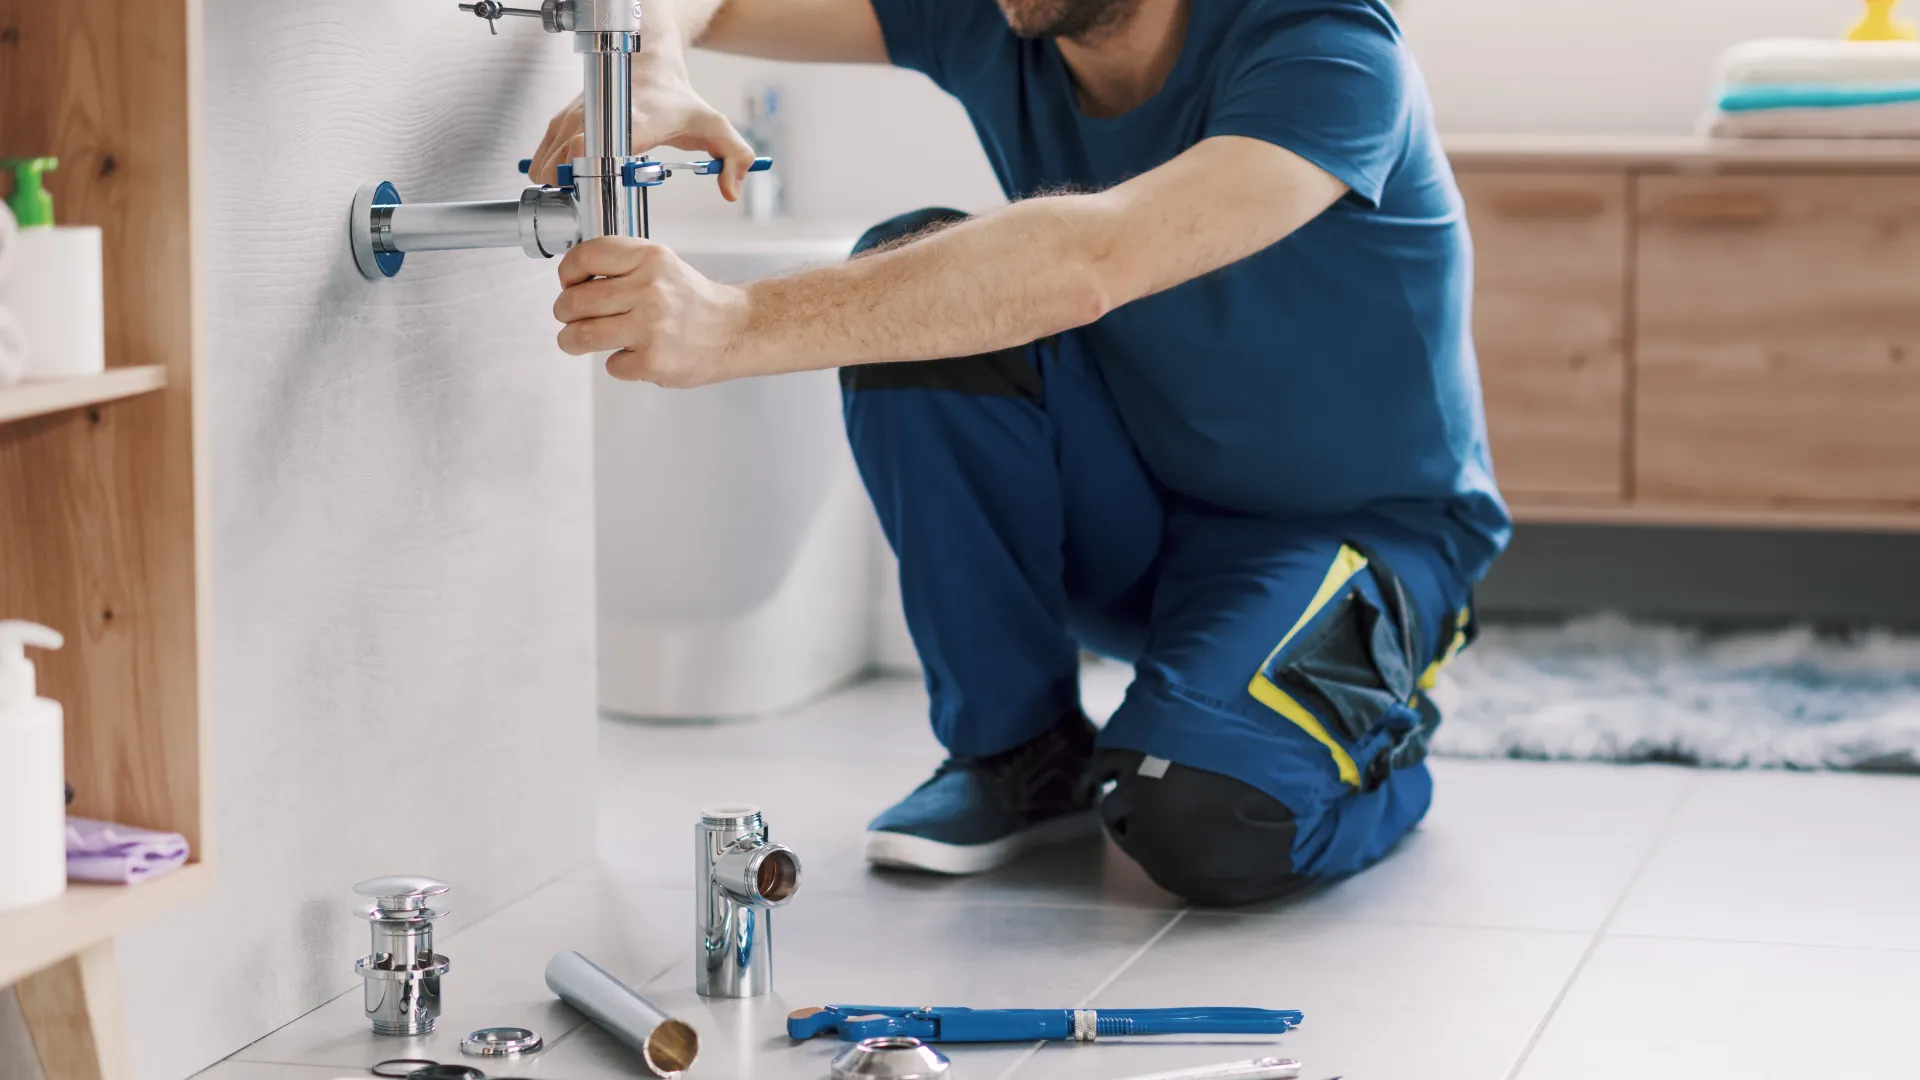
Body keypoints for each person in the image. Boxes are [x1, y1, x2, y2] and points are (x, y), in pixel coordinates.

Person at [531, 0, 1511, 906]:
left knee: (1196, 814)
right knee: (916, 276)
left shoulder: (1325, 45)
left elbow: (1092, 258)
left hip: (1355, 536)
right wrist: (652, 57)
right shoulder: (996, 16)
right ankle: (1021, 757)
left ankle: (1380, 725)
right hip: (1139, 501)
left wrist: (735, 323)